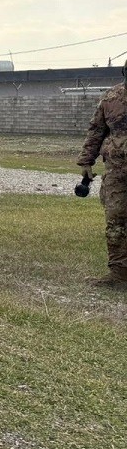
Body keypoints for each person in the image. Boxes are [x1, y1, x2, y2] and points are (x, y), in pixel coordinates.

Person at [78, 59, 127, 290]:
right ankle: (118, 274)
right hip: (117, 173)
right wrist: (87, 161)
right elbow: (96, 130)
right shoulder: (111, 99)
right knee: (116, 221)